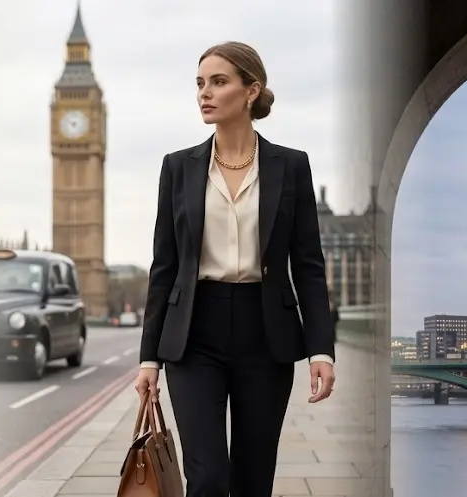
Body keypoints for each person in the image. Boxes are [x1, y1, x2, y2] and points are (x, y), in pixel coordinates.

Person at [134, 41, 336, 497]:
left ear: (251, 91)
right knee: (205, 476)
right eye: (200, 83)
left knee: (253, 477)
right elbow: (163, 267)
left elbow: (307, 265)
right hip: (194, 336)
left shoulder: (292, 166)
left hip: (266, 334)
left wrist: (321, 349)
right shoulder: (177, 168)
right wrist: (149, 358)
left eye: (219, 82)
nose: (205, 93)